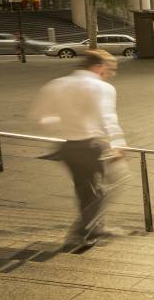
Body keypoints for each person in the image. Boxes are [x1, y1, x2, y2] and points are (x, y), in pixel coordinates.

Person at [31, 49, 127, 247]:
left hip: (68, 146)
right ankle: (82, 229)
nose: (111, 74)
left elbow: (41, 117)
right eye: (110, 69)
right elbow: (107, 117)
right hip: (92, 145)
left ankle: (93, 229)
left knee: (86, 189)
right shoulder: (101, 87)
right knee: (117, 180)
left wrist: (63, 128)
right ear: (99, 67)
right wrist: (117, 144)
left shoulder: (56, 85)